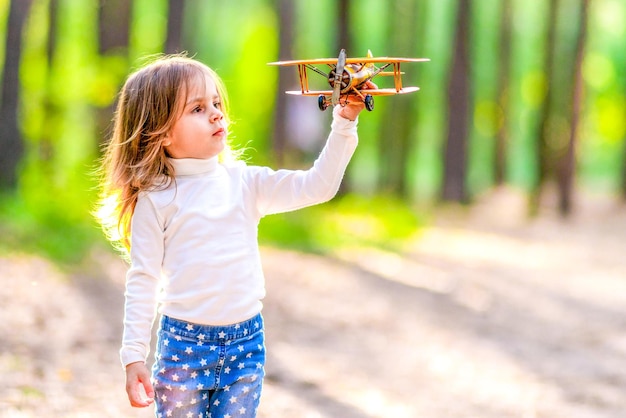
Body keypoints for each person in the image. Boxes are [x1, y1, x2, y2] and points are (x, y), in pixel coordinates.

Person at [95, 53, 369, 417]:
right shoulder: (156, 200)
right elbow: (143, 280)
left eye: (216, 103)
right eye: (196, 109)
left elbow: (317, 186)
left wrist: (345, 122)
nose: (215, 113)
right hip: (183, 346)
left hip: (246, 344)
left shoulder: (244, 183)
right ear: (159, 132)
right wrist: (133, 357)